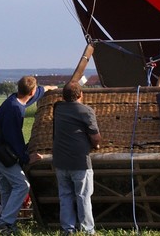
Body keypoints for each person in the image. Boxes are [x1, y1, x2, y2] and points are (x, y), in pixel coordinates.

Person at [0, 76, 56, 235]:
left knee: (7, 186)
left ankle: (6, 220)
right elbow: (14, 138)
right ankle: (4, 224)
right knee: (22, 185)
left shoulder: (15, 99)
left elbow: (35, 94)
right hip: (0, 152)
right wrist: (26, 157)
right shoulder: (14, 110)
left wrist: (49, 89)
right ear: (31, 91)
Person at [52, 81, 101, 235]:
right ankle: (87, 230)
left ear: (64, 96)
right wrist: (96, 145)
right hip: (80, 161)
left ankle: (68, 229)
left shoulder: (58, 109)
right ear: (81, 94)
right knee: (83, 197)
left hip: (60, 160)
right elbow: (96, 137)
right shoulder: (86, 111)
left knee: (65, 196)